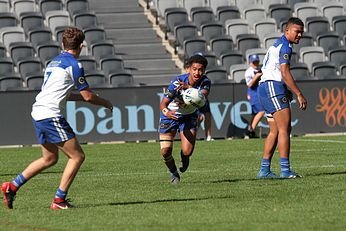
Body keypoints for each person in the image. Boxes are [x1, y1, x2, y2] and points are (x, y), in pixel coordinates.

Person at [1, 27, 113, 210]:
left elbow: (64, 94)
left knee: (50, 158)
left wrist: (83, 98)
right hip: (51, 114)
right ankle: (59, 200)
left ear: (63, 44)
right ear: (82, 46)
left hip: (38, 112)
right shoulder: (74, 65)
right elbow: (88, 96)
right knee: (77, 156)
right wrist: (106, 102)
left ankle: (11, 187)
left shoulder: (54, 62)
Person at [256, 17, 307, 179]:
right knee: (285, 129)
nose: (299, 35)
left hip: (265, 87)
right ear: (287, 31)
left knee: (275, 131)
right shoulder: (285, 46)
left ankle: (264, 170)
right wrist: (299, 94)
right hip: (272, 87)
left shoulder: (278, 44)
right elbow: (284, 72)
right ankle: (285, 170)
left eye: (301, 32)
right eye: (296, 31)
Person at [159, 55, 211, 184]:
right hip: (171, 115)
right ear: (189, 69)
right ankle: (174, 174)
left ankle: (184, 156)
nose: (197, 72)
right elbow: (163, 104)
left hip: (188, 116)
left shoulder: (205, 82)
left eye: (200, 70)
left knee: (187, 151)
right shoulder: (177, 82)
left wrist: (188, 89)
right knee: (165, 151)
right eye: (194, 69)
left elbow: (201, 97)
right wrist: (167, 112)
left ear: (204, 71)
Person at [244, 54, 265, 138]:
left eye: (257, 61)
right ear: (250, 62)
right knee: (261, 111)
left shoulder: (260, 69)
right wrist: (257, 76)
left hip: (260, 93)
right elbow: (249, 84)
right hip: (253, 94)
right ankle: (251, 130)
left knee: (254, 114)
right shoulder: (249, 72)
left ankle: (250, 131)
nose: (256, 63)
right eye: (254, 62)